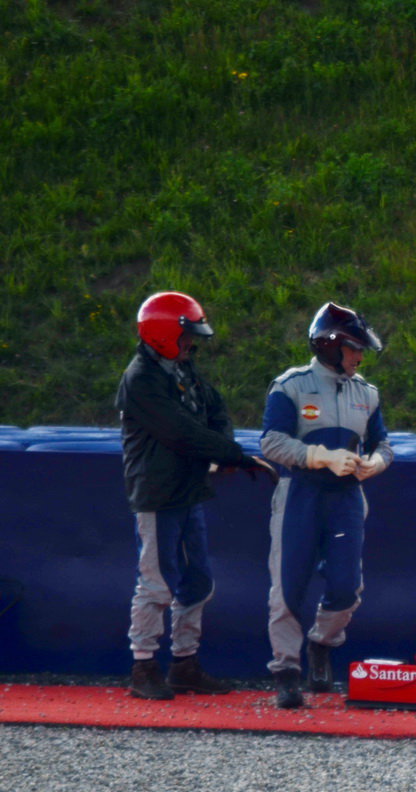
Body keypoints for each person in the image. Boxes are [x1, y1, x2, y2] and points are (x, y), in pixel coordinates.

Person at [117, 290, 277, 701]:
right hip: (157, 494)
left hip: (187, 490)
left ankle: (184, 663)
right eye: (187, 335)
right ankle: (144, 665)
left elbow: (215, 411)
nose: (192, 344)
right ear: (165, 333)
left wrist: (225, 450)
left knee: (197, 581)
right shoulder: (142, 379)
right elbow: (181, 432)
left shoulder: (180, 370)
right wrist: (233, 456)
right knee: (155, 583)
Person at [258, 302, 395, 709]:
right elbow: (270, 443)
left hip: (346, 497)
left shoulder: (366, 392)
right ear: (331, 345)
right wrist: (320, 456)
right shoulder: (291, 386)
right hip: (300, 492)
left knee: (346, 586)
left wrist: (376, 463)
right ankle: (286, 670)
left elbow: (383, 444)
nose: (359, 357)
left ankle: (322, 643)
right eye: (354, 349)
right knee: (288, 586)